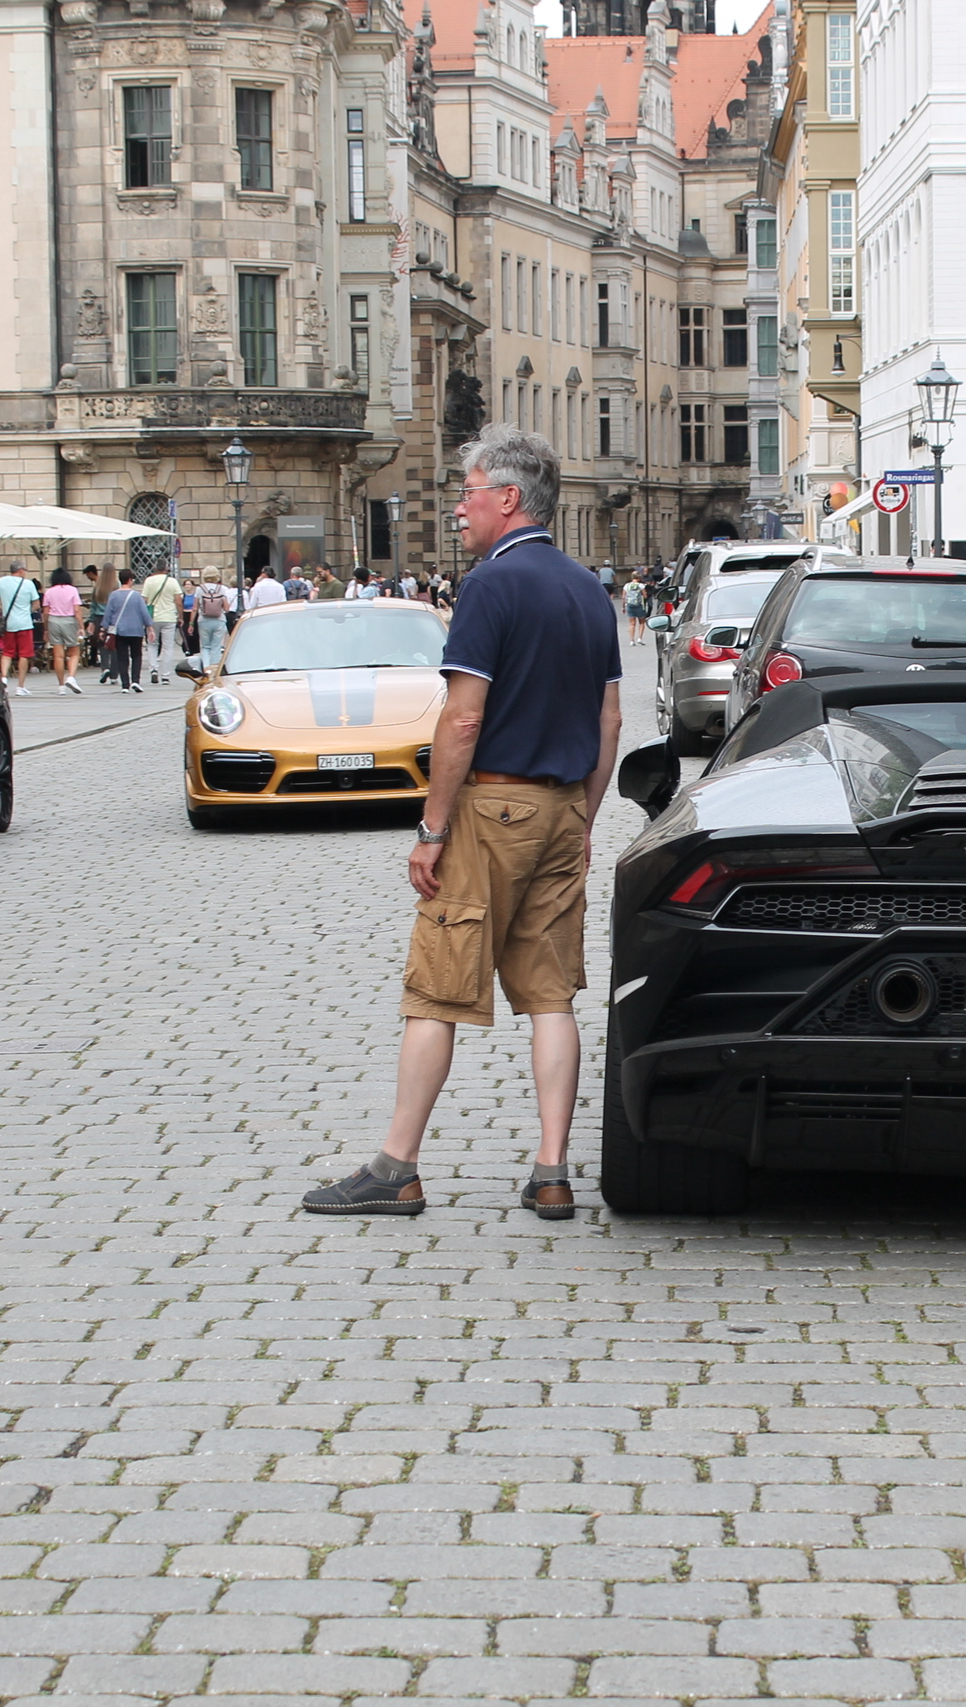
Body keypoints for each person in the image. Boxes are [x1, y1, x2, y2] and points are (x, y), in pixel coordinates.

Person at [299, 423, 622, 1222]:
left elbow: (462, 720)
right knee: (551, 994)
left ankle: (396, 1166)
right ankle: (552, 1169)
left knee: (436, 988)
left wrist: (433, 825)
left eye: (468, 495)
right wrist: (585, 810)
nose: (460, 511)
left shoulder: (489, 584)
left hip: (491, 806)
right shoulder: (588, 588)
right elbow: (610, 718)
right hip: (559, 809)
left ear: (507, 499)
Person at [0, 560, 42, 695]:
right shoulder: (28, 584)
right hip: (24, 623)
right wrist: (27, 611)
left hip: (9, 623)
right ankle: (20, 686)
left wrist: (1, 611)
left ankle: (4, 677)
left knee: (7, 652)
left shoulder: (2, 581)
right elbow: (36, 605)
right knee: (24, 654)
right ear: (21, 570)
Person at [102, 568, 149, 693]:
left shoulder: (113, 595)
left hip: (120, 630)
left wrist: (104, 627)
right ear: (129, 580)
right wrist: (149, 627)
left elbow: (108, 614)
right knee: (137, 655)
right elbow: (144, 613)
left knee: (122, 657)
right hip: (136, 630)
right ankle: (135, 681)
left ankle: (125, 685)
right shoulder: (136, 596)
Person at [43, 566, 85, 693]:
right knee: (74, 652)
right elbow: (77, 610)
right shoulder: (73, 590)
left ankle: (61, 686)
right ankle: (71, 677)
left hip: (53, 621)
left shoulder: (49, 591)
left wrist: (46, 628)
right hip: (69, 620)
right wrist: (81, 626)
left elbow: (45, 612)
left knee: (58, 656)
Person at [140, 559, 182, 682]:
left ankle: (154, 669)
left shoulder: (149, 581)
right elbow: (178, 602)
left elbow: (144, 600)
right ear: (166, 568)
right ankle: (165, 676)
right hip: (169, 617)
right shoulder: (172, 582)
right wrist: (180, 617)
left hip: (153, 618)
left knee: (152, 645)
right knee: (168, 647)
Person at [193, 571, 232, 669]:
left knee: (205, 647)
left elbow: (194, 608)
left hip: (203, 620)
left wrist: (190, 623)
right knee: (216, 647)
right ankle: (214, 668)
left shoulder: (199, 589)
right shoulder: (222, 589)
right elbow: (227, 608)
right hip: (219, 620)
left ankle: (206, 668)